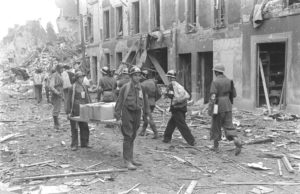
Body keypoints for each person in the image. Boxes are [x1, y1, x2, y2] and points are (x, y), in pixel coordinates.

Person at [114, 66, 150, 170]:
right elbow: (119, 102)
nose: (138, 77)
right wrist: (118, 117)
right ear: (131, 76)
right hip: (127, 112)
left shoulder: (141, 87)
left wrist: (146, 114)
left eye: (139, 75)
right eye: (135, 75)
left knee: (133, 135)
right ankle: (127, 161)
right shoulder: (125, 87)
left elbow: (145, 101)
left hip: (137, 112)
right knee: (128, 135)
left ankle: (131, 158)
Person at [209, 64, 242, 155]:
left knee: (216, 125)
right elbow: (234, 95)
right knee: (228, 125)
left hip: (217, 105)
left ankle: (215, 147)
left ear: (216, 72)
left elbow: (213, 97)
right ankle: (236, 139)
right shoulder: (229, 81)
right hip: (228, 105)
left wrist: (211, 109)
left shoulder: (215, 82)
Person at [163, 70, 195, 146]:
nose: (168, 79)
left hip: (177, 108)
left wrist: (165, 94)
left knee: (182, 125)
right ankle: (166, 138)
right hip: (182, 107)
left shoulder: (171, 85)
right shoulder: (178, 85)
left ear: (170, 78)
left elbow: (171, 95)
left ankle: (191, 140)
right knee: (172, 123)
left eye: (168, 77)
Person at [66, 71, 92, 151]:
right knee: (74, 128)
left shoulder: (84, 86)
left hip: (83, 110)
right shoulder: (72, 87)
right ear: (77, 78)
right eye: (80, 77)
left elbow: (87, 97)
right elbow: (68, 100)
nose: (82, 79)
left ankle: (84, 143)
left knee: (85, 126)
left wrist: (90, 106)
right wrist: (68, 112)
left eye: (82, 77)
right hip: (75, 110)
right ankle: (74, 144)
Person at [139, 70, 160, 139]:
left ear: (144, 75)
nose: (140, 77)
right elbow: (159, 94)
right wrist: (154, 100)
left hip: (146, 102)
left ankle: (156, 133)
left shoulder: (142, 84)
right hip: (152, 102)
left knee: (149, 117)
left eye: (141, 75)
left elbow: (140, 96)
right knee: (145, 116)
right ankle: (142, 131)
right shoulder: (153, 82)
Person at [49, 64, 64, 131]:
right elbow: (51, 86)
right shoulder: (54, 75)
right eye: (61, 68)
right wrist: (57, 92)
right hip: (56, 94)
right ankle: (56, 124)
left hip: (59, 94)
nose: (62, 69)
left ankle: (57, 124)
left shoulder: (59, 75)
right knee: (56, 109)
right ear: (58, 69)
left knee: (58, 109)